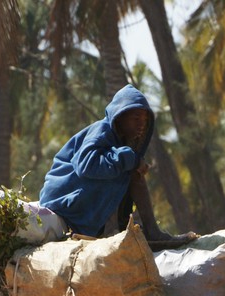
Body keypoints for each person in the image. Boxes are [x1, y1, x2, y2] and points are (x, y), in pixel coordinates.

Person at [38, 84, 194, 246]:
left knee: (133, 173)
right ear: (120, 116)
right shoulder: (102, 130)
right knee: (131, 170)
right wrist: (130, 159)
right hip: (65, 205)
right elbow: (86, 166)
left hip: (81, 209)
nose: (142, 124)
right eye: (136, 118)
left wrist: (130, 161)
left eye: (145, 120)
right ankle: (147, 232)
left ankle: (146, 230)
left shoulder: (119, 143)